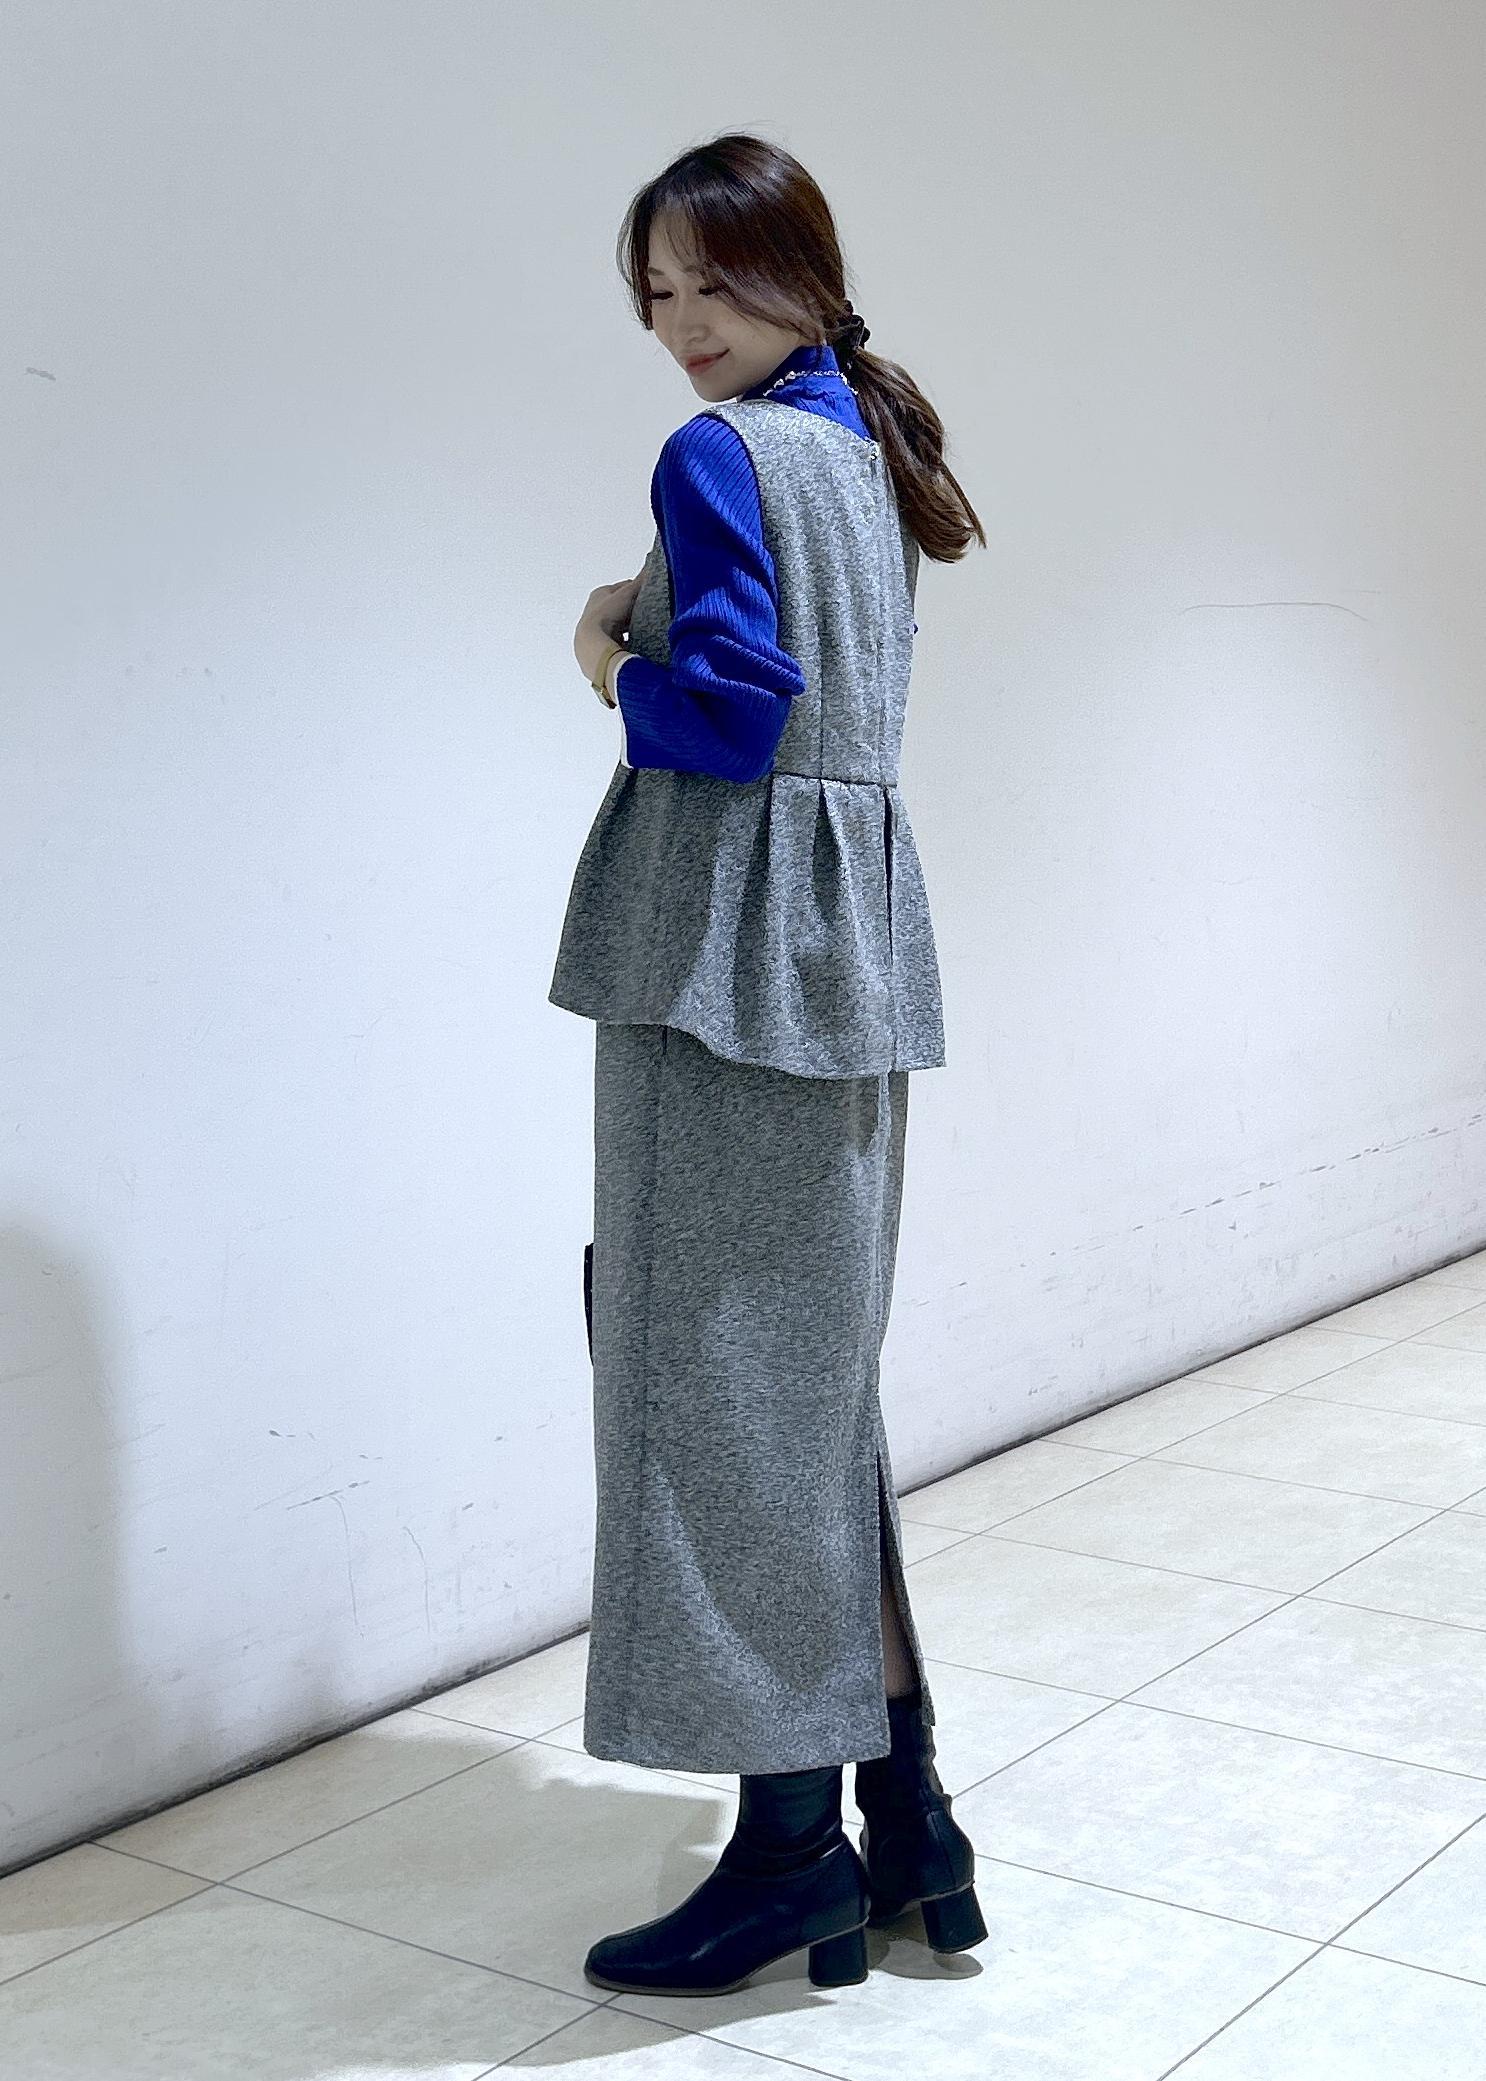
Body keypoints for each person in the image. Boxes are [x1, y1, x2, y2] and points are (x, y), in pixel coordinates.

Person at [548, 130, 988, 1997]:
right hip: (848, 963)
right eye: (655, 294)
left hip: (721, 969)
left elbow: (728, 713)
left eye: (713, 283)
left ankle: (789, 1856)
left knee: (710, 1391)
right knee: (802, 1396)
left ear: (800, 272)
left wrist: (603, 652)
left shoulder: (721, 455)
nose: (682, 325)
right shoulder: (868, 450)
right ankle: (907, 1821)